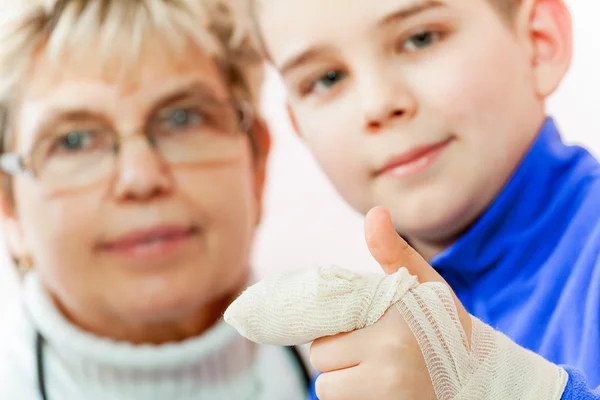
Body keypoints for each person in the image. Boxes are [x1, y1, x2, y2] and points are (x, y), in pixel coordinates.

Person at [246, 0, 600, 396]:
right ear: (297, 125)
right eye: (327, 79)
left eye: (420, 38)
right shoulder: (353, 373)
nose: (377, 103)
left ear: (540, 41)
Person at [0, 1, 309, 398]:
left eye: (183, 118)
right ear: (9, 205)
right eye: (74, 141)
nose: (141, 178)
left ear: (258, 164)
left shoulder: (392, 372)